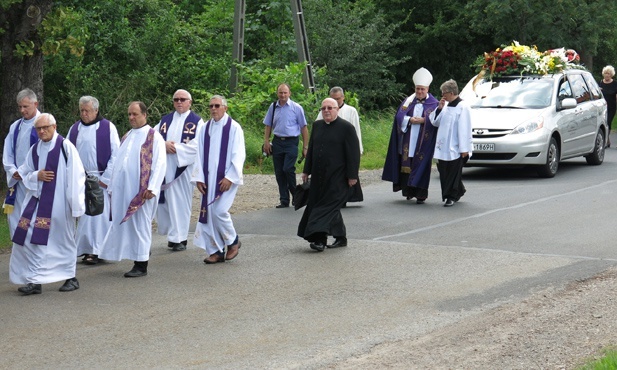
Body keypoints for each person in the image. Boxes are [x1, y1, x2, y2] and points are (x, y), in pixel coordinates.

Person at [9, 113, 86, 295]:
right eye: (39, 128)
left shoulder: (66, 147)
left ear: (54, 126)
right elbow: (25, 173)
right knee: (28, 236)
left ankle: (70, 277)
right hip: (36, 202)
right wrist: (37, 175)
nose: (42, 131)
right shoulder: (35, 149)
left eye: (46, 127)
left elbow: (77, 177)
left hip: (60, 204)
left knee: (62, 240)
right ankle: (35, 280)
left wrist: (75, 206)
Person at [99, 101, 166, 277]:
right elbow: (120, 162)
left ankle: (141, 264)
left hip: (141, 191)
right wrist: (111, 185)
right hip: (123, 190)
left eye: (135, 114)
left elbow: (159, 163)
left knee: (140, 225)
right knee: (126, 225)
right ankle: (136, 254)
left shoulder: (154, 137)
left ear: (145, 114)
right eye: (129, 114)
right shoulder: (127, 136)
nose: (131, 117)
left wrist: (152, 187)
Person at [297, 98, 360, 252]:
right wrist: (306, 170)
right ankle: (341, 237)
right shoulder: (317, 126)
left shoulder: (346, 128)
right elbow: (311, 149)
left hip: (337, 177)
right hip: (319, 177)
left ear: (337, 109)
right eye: (323, 108)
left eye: (330, 108)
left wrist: (352, 176)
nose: (326, 110)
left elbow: (353, 154)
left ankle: (319, 239)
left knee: (324, 207)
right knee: (329, 207)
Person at [66, 96, 120, 265]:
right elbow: (67, 153)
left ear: (96, 110)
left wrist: (106, 178)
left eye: (87, 110)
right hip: (81, 178)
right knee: (84, 216)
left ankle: (96, 250)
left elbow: (116, 154)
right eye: (81, 110)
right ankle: (84, 248)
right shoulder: (74, 129)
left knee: (98, 218)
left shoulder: (108, 128)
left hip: (100, 179)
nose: (84, 114)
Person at [192, 95, 245, 263]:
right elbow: (199, 154)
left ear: (225, 108)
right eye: (211, 106)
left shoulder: (234, 128)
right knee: (208, 213)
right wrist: (199, 177)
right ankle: (216, 250)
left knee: (219, 211)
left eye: (217, 105)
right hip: (208, 179)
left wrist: (230, 177)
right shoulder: (205, 128)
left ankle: (233, 240)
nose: (213, 109)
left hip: (226, 179)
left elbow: (239, 154)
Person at [154, 89, 204, 251]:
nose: (179, 102)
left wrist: (177, 149)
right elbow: (152, 138)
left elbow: (198, 145)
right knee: (167, 201)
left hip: (183, 168)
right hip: (166, 167)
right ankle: (172, 235)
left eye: (183, 99)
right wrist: (164, 145)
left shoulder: (197, 122)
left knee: (181, 202)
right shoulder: (165, 120)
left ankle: (180, 238)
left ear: (190, 102)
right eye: (176, 100)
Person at [382, 67, 439, 204]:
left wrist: (424, 120)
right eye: (417, 89)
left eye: (422, 89)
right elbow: (399, 117)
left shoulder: (435, 103)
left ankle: (420, 194)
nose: (419, 92)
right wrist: (409, 120)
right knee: (407, 165)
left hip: (423, 143)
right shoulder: (408, 102)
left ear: (427, 89)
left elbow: (437, 121)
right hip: (408, 141)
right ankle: (408, 191)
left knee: (421, 167)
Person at [262, 83, 309, 208]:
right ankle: (284, 200)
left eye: (285, 92)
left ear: (289, 93)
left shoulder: (296, 108)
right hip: (277, 142)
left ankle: (296, 195)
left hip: (291, 142)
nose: (282, 95)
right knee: (279, 172)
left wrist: (305, 147)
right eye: (280, 92)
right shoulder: (273, 107)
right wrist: (266, 141)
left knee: (287, 169)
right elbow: (268, 125)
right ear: (277, 93)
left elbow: (304, 128)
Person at [429, 79, 473, 207]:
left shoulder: (463, 107)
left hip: (456, 146)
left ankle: (450, 196)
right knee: (444, 171)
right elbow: (435, 122)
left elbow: (465, 128)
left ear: (452, 92)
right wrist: (439, 108)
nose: (443, 95)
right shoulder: (445, 106)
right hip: (443, 147)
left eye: (444, 93)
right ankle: (459, 190)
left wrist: (464, 148)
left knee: (453, 172)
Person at [3, 89, 41, 235]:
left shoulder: (44, 124)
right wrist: (13, 171)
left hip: (35, 179)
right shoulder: (15, 126)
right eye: (20, 107)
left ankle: (33, 249)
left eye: (26, 106)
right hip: (18, 178)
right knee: (16, 216)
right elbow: (8, 153)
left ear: (35, 104)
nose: (22, 110)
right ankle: (19, 247)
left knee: (34, 215)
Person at [317, 86, 364, 205]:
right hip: (332, 147)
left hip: (347, 146)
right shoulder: (325, 110)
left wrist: (358, 149)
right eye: (333, 98)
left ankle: (347, 196)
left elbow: (356, 130)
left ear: (343, 97)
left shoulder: (351, 110)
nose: (336, 101)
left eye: (338, 99)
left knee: (348, 173)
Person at [599, 65, 617, 147]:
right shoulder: (600, 83)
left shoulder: (615, 84)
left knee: (608, 122)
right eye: (605, 73)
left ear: (611, 74)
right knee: (603, 123)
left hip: (611, 107)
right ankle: (607, 141)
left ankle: (606, 140)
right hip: (602, 107)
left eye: (608, 73)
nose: (607, 75)